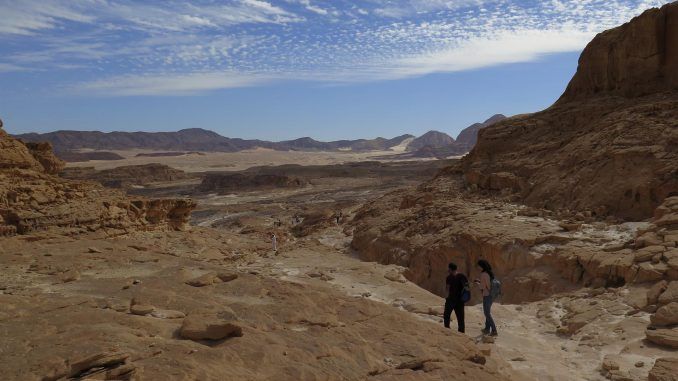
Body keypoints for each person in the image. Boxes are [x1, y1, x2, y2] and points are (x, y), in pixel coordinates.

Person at [475, 259, 498, 336]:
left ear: (482, 266)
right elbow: (488, 283)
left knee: (487, 313)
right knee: (487, 312)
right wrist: (480, 282)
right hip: (491, 295)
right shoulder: (489, 273)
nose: (478, 267)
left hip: (487, 295)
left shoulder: (483, 274)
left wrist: (478, 283)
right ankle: (487, 329)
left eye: (478, 266)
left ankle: (494, 330)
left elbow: (482, 286)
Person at [444, 263, 468, 333]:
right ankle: (461, 333)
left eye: (449, 269)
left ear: (450, 269)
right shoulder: (462, 276)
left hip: (451, 299)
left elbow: (447, 289)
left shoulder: (449, 277)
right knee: (460, 318)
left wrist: (446, 297)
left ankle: (446, 330)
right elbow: (467, 287)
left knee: (447, 315)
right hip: (460, 301)